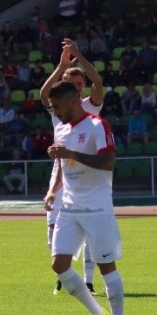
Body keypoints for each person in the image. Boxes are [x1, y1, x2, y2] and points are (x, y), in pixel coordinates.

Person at [45, 81, 127, 315]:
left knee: (106, 268)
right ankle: (97, 313)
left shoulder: (97, 125)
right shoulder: (61, 129)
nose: (55, 112)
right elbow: (63, 166)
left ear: (73, 101)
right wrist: (53, 190)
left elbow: (109, 162)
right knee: (59, 265)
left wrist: (71, 153)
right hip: (69, 207)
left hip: (97, 208)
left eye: (57, 106)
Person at [40, 39, 105, 295]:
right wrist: (61, 66)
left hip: (87, 171)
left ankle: (88, 280)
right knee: (52, 226)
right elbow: (44, 94)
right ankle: (63, 275)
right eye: (70, 83)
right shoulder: (58, 108)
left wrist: (79, 54)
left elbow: (98, 82)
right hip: (61, 171)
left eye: (79, 84)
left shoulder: (90, 105)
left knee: (89, 227)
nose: (76, 88)